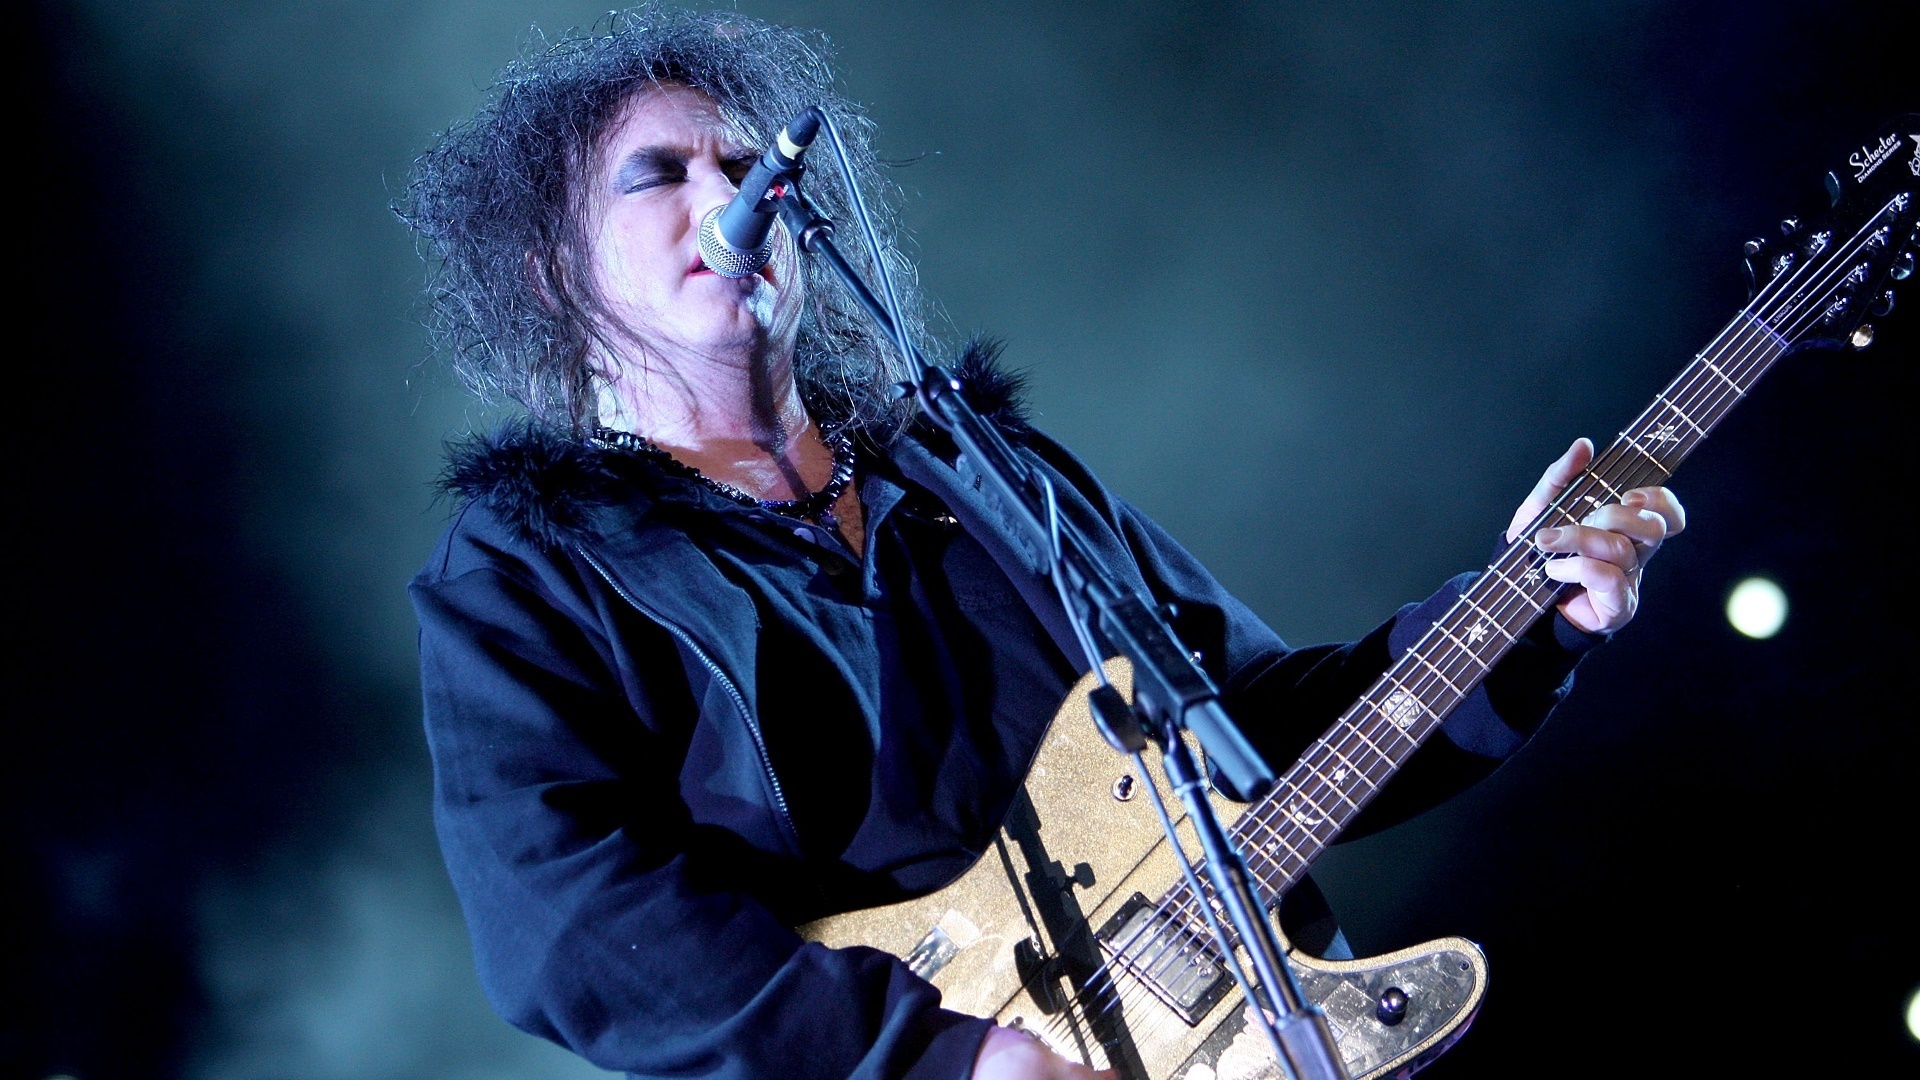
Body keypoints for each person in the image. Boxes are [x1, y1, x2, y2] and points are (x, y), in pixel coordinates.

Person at [400, 8, 1683, 1079]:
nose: (730, 196)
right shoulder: (529, 571)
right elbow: (572, 922)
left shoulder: (980, 475)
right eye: (659, 174)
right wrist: (938, 1056)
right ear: (551, 272)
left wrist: (1527, 615)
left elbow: (1251, 738)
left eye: (745, 166)